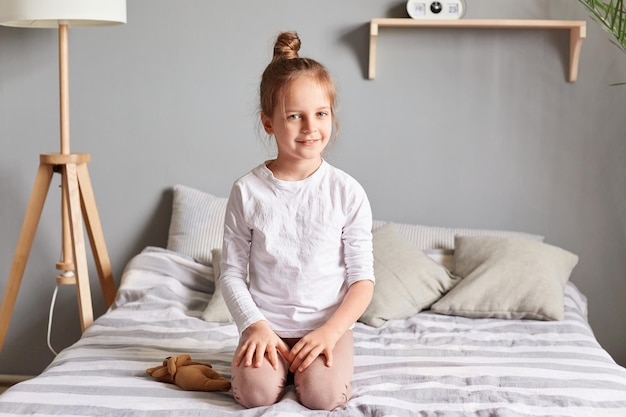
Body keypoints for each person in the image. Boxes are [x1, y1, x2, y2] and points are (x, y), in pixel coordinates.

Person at [220, 31, 375, 411]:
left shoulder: (346, 191)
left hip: (328, 329)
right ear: (269, 122)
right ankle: (274, 367)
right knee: (253, 395)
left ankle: (315, 370)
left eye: (321, 113)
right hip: (266, 327)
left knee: (321, 397)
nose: (310, 127)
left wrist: (330, 332)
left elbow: (362, 281)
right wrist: (253, 325)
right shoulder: (247, 191)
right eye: (295, 116)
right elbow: (231, 273)